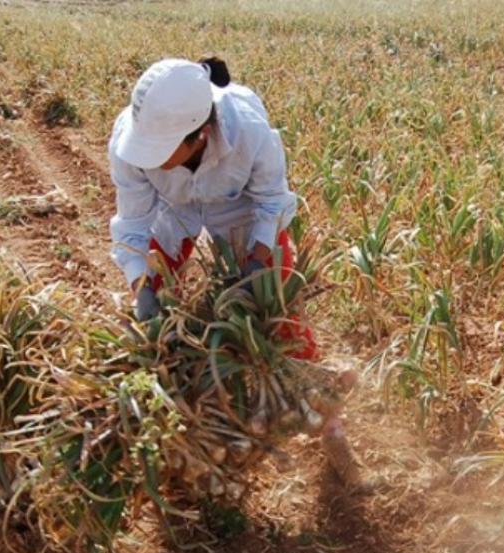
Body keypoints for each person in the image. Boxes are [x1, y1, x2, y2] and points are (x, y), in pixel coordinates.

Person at [107, 57, 364, 488]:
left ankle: (332, 429)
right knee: (165, 330)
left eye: (164, 151)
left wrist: (260, 261)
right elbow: (132, 227)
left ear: (200, 135)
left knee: (282, 314)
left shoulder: (248, 130)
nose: (154, 159)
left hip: (243, 215)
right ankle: (190, 431)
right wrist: (142, 287)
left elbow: (270, 202)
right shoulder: (129, 144)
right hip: (175, 218)